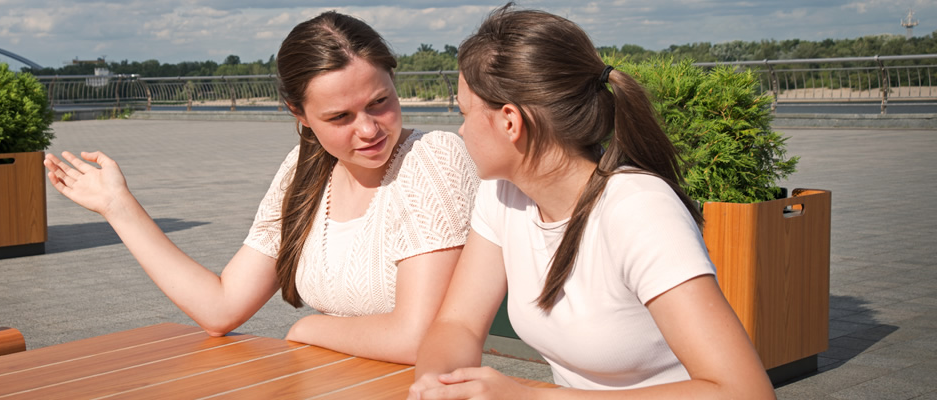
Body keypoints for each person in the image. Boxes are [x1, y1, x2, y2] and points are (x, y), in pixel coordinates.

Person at [43, 11, 478, 365]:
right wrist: (119, 206)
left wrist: (309, 329)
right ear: (299, 114)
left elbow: (417, 338)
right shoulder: (303, 172)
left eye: (379, 102)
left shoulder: (432, 158)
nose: (368, 129)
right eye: (340, 117)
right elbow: (221, 308)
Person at [408, 4, 775, 399]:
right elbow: (457, 325)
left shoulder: (638, 209)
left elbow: (746, 391)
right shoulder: (503, 194)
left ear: (510, 122)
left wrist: (534, 397)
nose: (460, 129)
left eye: (464, 112)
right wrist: (436, 385)